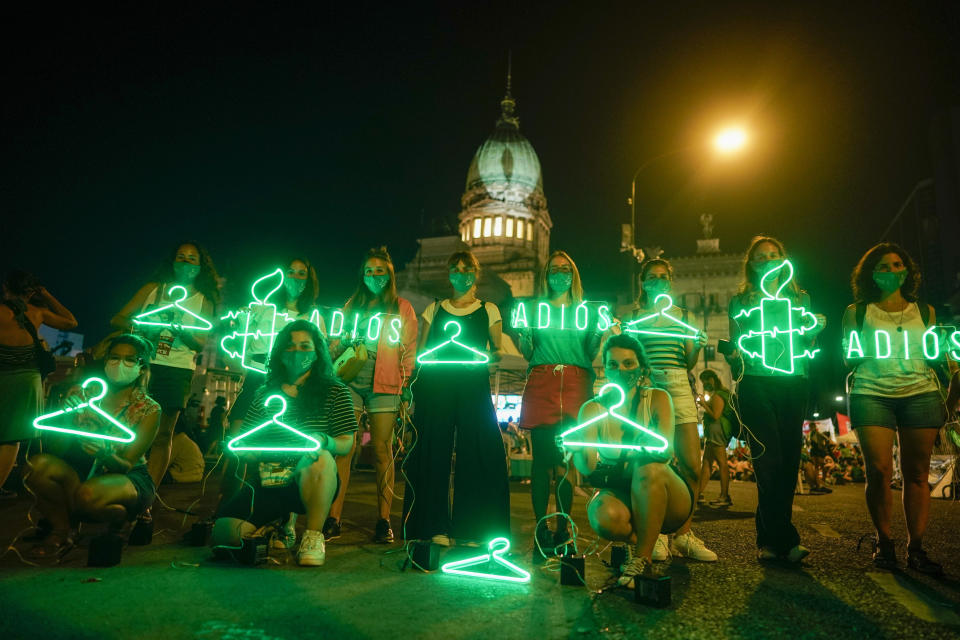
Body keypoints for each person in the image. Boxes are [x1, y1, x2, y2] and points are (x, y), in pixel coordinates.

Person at [842, 242, 954, 574]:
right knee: (877, 470)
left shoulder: (927, 312)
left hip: (920, 392)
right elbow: (849, 356)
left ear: (907, 271)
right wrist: (858, 349)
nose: (891, 271)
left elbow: (935, 354)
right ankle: (883, 541)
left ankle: (916, 547)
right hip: (871, 392)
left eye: (896, 265)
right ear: (870, 275)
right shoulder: (857, 312)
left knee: (917, 473)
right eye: (883, 266)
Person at [211, 320, 357, 566]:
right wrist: (243, 450)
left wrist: (325, 441)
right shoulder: (264, 393)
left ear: (318, 351)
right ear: (279, 351)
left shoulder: (335, 391)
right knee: (224, 536)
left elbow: (346, 443)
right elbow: (248, 440)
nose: (297, 352)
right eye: (290, 346)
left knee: (319, 457)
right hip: (268, 481)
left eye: (304, 346)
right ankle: (272, 526)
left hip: (311, 478)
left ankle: (312, 536)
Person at [725, 236, 825, 564]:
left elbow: (806, 338)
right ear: (750, 265)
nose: (768, 260)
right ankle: (786, 539)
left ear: (783, 259)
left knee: (787, 460)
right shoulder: (740, 302)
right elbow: (737, 345)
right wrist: (735, 353)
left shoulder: (801, 299)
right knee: (767, 461)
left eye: (773, 255)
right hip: (755, 383)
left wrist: (812, 331)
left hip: (794, 382)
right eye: (760, 257)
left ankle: (768, 540)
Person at [401, 250, 510, 544]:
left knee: (477, 450)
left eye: (467, 269)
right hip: (437, 385)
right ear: (449, 274)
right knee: (433, 451)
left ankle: (472, 526)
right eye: (455, 269)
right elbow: (422, 352)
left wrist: (485, 356)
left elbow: (498, 351)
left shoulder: (489, 309)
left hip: (473, 383)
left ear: (476, 274)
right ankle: (433, 525)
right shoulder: (434, 310)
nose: (461, 274)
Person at [568, 334, 694, 587]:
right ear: (605, 368)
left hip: (666, 492)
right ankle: (645, 538)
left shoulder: (657, 398)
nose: (621, 370)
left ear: (641, 367)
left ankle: (642, 559)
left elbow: (664, 452)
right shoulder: (592, 409)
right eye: (613, 364)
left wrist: (639, 446)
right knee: (603, 515)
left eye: (628, 363)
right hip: (622, 493)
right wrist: (578, 447)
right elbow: (587, 467)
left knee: (646, 466)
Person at [25, 334, 159, 556]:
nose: (119, 365)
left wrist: (105, 453)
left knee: (87, 496)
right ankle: (62, 531)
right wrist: (68, 417)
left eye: (129, 360)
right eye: (114, 357)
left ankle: (123, 518)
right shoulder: (81, 394)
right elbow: (57, 450)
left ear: (142, 367)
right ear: (106, 361)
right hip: (81, 469)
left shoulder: (149, 409)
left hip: (127, 477)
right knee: (35, 467)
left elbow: (125, 465)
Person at [223, 257, 323, 541]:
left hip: (292, 387)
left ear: (309, 281)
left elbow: (318, 355)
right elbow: (242, 341)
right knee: (239, 444)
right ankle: (233, 509)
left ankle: (285, 521)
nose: (295, 277)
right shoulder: (263, 308)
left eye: (302, 274)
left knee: (286, 451)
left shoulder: (313, 317)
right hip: (258, 381)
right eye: (291, 272)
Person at [111, 242, 219, 496]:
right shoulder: (153, 290)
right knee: (126, 425)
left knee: (162, 434)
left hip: (177, 369)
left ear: (201, 267)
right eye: (181, 256)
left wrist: (182, 330)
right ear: (172, 262)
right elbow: (118, 318)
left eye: (192, 258)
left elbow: (202, 342)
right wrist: (140, 326)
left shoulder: (204, 300)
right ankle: (118, 482)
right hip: (141, 365)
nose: (186, 262)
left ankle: (146, 494)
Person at [627, 258, 716, 561]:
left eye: (663, 277)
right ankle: (658, 534)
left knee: (691, 462)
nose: (658, 281)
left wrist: (699, 345)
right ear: (644, 283)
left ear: (670, 281)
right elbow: (633, 357)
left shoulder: (685, 316)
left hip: (679, 381)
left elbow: (689, 362)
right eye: (652, 277)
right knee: (654, 461)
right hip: (649, 384)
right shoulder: (636, 316)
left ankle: (683, 533)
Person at [326, 247, 417, 543]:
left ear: (390, 275)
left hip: (386, 383)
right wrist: (335, 348)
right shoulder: (351, 306)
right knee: (345, 448)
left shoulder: (402, 308)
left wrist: (403, 386)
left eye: (380, 271)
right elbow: (336, 342)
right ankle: (333, 517)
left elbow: (409, 350)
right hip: (350, 380)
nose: (374, 276)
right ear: (361, 275)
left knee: (382, 451)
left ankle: (383, 519)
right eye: (369, 271)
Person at [515, 251, 601, 559]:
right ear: (546, 275)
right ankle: (541, 529)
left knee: (565, 461)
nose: (560, 274)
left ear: (573, 275)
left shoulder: (586, 312)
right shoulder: (534, 310)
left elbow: (590, 352)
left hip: (576, 383)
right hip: (543, 380)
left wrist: (599, 333)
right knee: (542, 461)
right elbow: (527, 351)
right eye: (554, 269)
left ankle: (564, 529)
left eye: (566, 269)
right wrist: (524, 336)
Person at [0, 270, 77, 496]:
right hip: (27, 379)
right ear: (31, 292)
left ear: (6, 287)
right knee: (12, 438)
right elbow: (71, 322)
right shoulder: (38, 312)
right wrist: (47, 296)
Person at [696, 369, 732, 507]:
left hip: (717, 432)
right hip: (712, 434)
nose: (704, 384)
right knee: (706, 463)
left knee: (722, 463)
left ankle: (724, 496)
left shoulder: (718, 395)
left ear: (712, 379)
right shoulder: (716, 394)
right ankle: (698, 494)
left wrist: (704, 405)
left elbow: (716, 415)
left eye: (705, 380)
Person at [807, 428, 833, 494]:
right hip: (818, 452)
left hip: (817, 452)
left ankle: (820, 484)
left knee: (819, 467)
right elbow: (830, 442)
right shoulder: (818, 435)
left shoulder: (816, 435)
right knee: (818, 467)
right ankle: (819, 485)